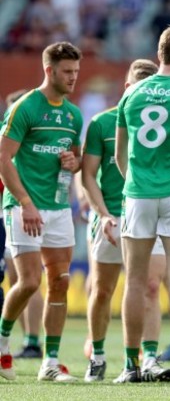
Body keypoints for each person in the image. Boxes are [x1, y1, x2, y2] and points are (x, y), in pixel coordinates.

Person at [114, 22, 170, 384]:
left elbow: (120, 154)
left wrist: (135, 180)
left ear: (159, 54)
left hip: (137, 193)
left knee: (135, 281)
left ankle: (131, 365)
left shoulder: (132, 94)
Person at [81, 58, 170, 383]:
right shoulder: (101, 124)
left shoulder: (166, 121)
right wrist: (102, 214)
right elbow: (88, 175)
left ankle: (148, 358)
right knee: (103, 289)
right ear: (126, 87)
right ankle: (98, 354)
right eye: (139, 86)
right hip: (112, 215)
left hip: (151, 211)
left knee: (149, 286)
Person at [0, 42, 83, 382]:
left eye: (76, 72)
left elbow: (74, 161)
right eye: (67, 72)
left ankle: (50, 362)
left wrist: (72, 163)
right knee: (30, 281)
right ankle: (3, 346)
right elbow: (3, 158)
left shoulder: (73, 114)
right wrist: (26, 202)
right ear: (49, 70)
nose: (73, 78)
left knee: (60, 282)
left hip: (59, 207)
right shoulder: (25, 107)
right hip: (24, 207)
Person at [1, 89, 45, 360]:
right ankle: (30, 340)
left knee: (26, 280)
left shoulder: (17, 146)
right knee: (22, 280)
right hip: (16, 210)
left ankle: (31, 340)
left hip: (13, 211)